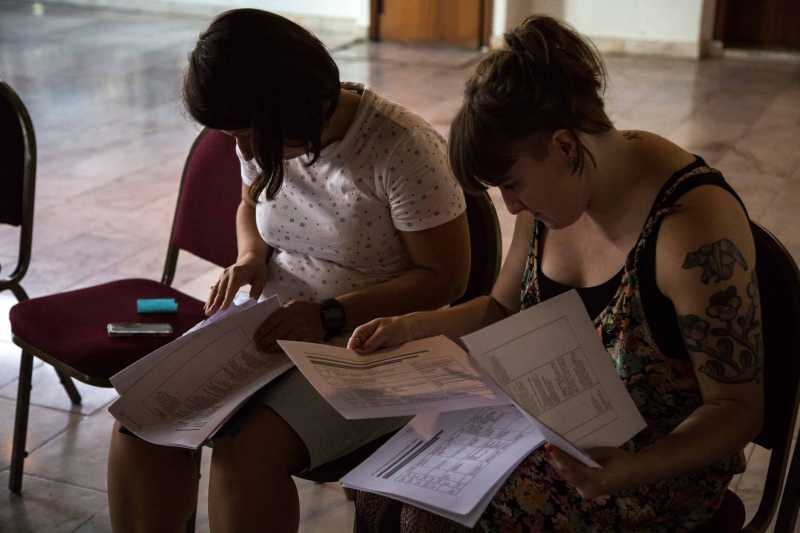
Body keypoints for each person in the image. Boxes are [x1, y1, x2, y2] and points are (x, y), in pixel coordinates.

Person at [348, 15, 763, 533]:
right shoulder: (552, 202)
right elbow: (502, 309)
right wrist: (414, 326)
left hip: (655, 472)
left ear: (566, 147)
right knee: (383, 491)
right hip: (557, 437)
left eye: (513, 184)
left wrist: (634, 468)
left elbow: (737, 408)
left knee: (425, 519)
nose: (512, 205)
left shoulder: (688, 230)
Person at [106, 8, 471, 533]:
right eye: (230, 134)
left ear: (293, 107)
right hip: (277, 328)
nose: (241, 151)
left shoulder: (400, 148)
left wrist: (327, 314)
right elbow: (248, 205)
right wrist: (251, 257)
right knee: (142, 424)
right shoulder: (263, 137)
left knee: (246, 452)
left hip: (381, 343)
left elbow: (445, 279)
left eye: (245, 134)